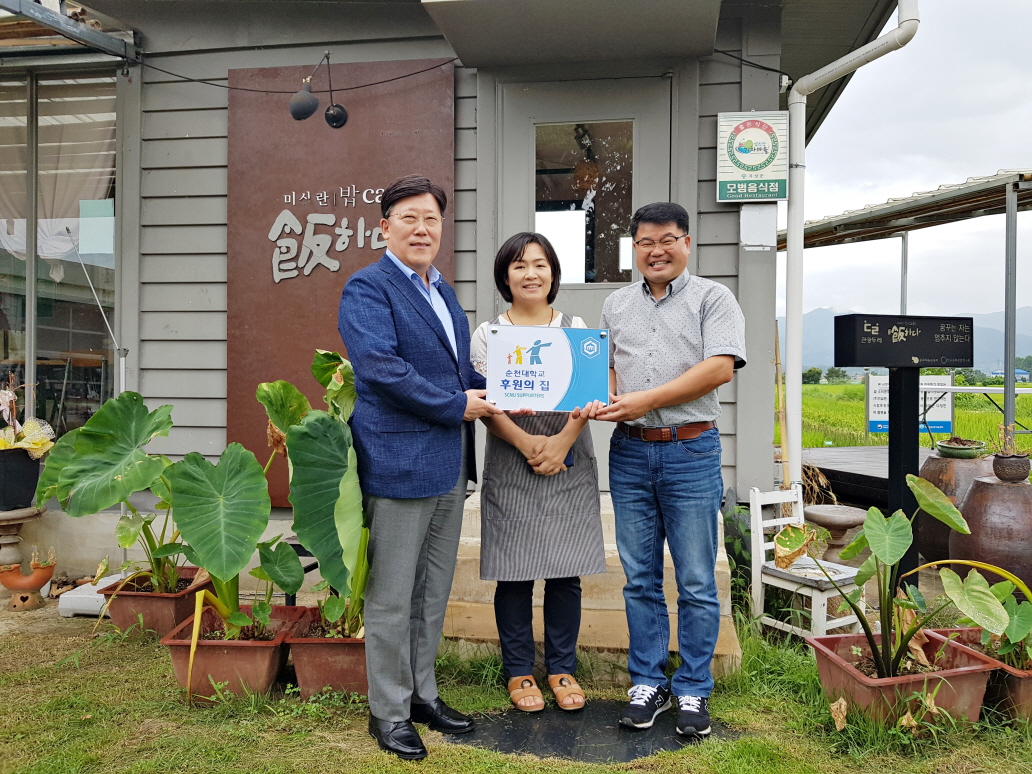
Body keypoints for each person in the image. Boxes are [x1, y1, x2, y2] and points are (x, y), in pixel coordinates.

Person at [338, 174, 503, 761]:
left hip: (447, 468)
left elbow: (458, 373)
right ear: (384, 227)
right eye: (408, 218)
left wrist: (517, 385)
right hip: (399, 463)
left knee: (431, 592)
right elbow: (381, 369)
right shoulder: (369, 288)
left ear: (442, 228)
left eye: (431, 219)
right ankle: (387, 710)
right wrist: (458, 404)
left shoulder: (444, 293)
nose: (421, 228)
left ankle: (422, 696)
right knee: (391, 596)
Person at [596, 202, 746, 737]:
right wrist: (606, 397)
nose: (655, 251)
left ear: (686, 242)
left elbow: (719, 369)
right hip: (630, 452)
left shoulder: (714, 298)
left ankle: (693, 689)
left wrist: (644, 400)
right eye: (644, 243)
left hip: (691, 450)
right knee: (639, 578)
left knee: (697, 579)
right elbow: (607, 368)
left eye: (666, 240)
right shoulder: (615, 304)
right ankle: (648, 681)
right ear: (633, 249)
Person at [469, 232, 606, 713]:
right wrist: (528, 443)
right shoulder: (489, 333)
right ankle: (519, 670)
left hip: (569, 452)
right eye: (520, 265)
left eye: (540, 264)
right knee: (515, 572)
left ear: (553, 273)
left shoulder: (576, 327)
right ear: (505, 276)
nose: (531, 274)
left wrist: (561, 442)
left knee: (566, 572)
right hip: (512, 455)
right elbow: (487, 406)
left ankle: (562, 667)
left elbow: (589, 398)